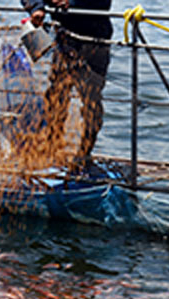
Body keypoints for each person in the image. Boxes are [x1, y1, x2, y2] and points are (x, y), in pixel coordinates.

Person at [21, 0, 113, 171]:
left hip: (93, 42)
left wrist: (71, 2)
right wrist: (37, 7)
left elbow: (102, 3)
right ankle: (51, 147)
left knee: (90, 101)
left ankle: (84, 155)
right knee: (56, 96)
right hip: (64, 42)